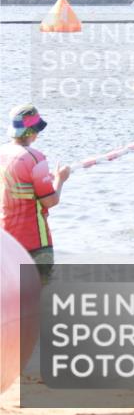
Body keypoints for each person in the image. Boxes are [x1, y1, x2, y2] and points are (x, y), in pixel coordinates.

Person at [1, 105, 71, 283]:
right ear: (31, 131)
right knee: (40, 294)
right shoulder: (35, 158)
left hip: (6, 239)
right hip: (34, 241)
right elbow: (50, 201)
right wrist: (60, 179)